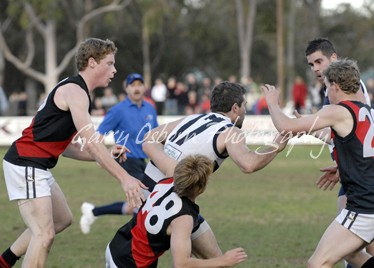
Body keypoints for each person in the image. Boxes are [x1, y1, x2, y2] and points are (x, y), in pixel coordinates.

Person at [0, 38, 147, 268]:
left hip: (37, 165)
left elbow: (67, 147)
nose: (114, 70)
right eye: (109, 63)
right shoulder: (75, 92)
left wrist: (107, 153)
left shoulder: (78, 92)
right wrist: (125, 178)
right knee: (44, 234)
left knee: (62, 219)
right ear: (92, 63)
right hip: (25, 162)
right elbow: (91, 142)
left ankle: (4, 262)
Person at [263, 59, 374, 268]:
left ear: (335, 86)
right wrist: (343, 167)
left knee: (317, 263)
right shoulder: (368, 112)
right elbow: (364, 152)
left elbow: (285, 126)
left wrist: (272, 102)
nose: (327, 93)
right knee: (353, 255)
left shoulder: (338, 110)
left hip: (367, 205)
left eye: (327, 87)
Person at [142, 81, 288, 259]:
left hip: (150, 194)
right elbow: (248, 164)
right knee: (202, 261)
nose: (245, 112)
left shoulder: (192, 119)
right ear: (235, 108)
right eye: (244, 106)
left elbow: (149, 138)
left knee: (212, 259)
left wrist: (167, 165)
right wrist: (276, 146)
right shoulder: (230, 132)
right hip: (169, 201)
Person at [305, 37, 374, 268]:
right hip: (349, 171)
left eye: (319, 61)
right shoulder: (331, 90)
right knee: (361, 246)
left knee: (347, 246)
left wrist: (297, 126)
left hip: (359, 174)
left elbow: (358, 129)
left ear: (334, 58)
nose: (316, 68)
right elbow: (335, 134)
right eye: (311, 64)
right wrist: (308, 129)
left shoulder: (349, 90)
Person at [105, 154, 248, 268]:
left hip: (118, 244)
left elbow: (153, 148)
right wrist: (223, 260)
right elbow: (181, 264)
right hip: (129, 263)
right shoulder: (183, 219)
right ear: (201, 188)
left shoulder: (167, 180)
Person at [80, 72, 158, 234]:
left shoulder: (150, 108)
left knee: (134, 205)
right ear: (126, 89)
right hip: (126, 160)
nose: (136, 88)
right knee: (148, 199)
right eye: (132, 85)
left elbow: (155, 136)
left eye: (139, 84)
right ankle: (133, 239)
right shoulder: (118, 110)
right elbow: (98, 135)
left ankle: (93, 211)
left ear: (144, 88)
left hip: (144, 162)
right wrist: (100, 156)